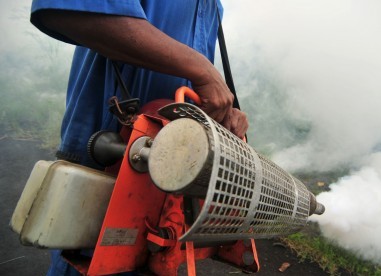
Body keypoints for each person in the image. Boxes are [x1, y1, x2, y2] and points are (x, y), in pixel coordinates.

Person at [29, 0, 248, 275]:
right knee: (93, 264)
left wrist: (224, 111)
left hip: (165, 180)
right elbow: (67, 10)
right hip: (110, 163)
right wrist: (203, 70)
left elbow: (191, 86)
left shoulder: (211, 6)